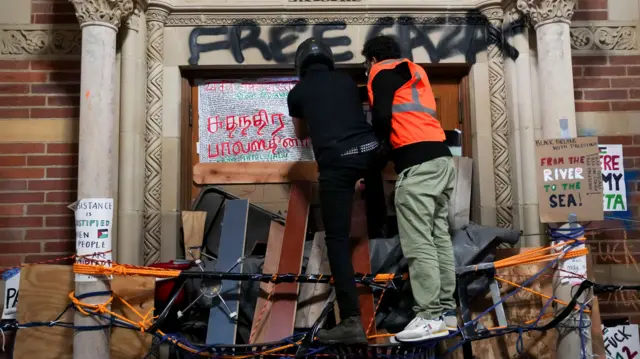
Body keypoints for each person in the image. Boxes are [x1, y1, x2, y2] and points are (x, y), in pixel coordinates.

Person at [361, 35, 458, 342]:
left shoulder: (381, 72)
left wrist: (375, 150)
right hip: (442, 161)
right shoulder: (414, 72)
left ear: (372, 60)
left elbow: (381, 117)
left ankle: (428, 316)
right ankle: (446, 313)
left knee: (419, 244)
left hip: (417, 168)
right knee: (438, 236)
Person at [288, 38, 381, 345]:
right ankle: (381, 229)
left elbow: (302, 134)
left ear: (301, 65)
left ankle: (352, 321)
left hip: (337, 162)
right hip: (371, 150)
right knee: (377, 218)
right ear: (328, 60)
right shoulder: (345, 81)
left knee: (336, 240)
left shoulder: (297, 93)